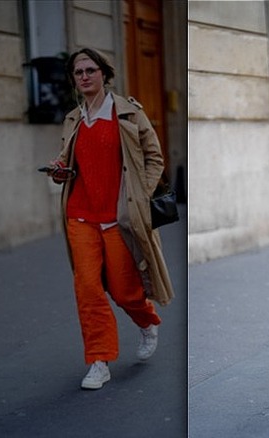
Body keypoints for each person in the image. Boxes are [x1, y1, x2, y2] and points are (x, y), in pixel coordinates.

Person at [44, 48, 174, 390]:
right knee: (88, 290)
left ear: (104, 73)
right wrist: (59, 171)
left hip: (119, 216)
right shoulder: (74, 118)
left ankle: (146, 321)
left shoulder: (129, 113)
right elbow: (68, 161)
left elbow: (155, 158)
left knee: (124, 291)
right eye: (78, 72)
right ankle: (99, 361)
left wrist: (141, 196)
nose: (85, 76)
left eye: (90, 70)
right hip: (80, 215)